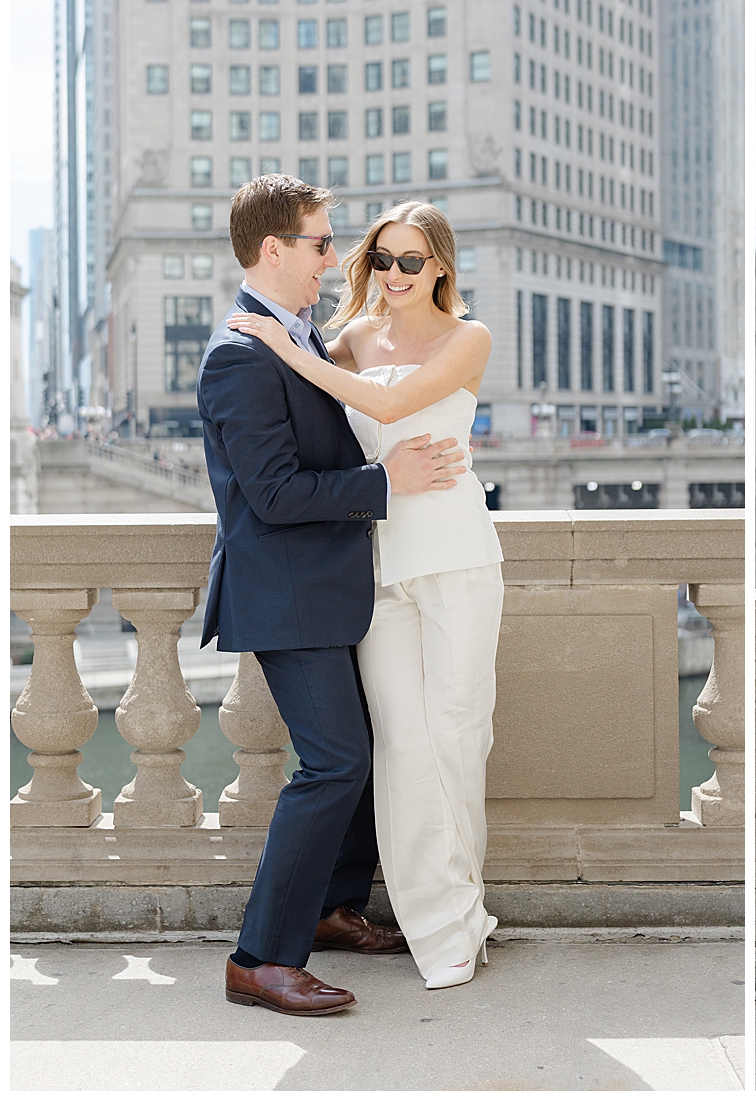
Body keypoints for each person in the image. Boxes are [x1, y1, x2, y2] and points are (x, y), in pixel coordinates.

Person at [200, 175, 466, 1016]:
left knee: (367, 747)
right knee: (335, 761)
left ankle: (331, 908)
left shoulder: (305, 337)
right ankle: (261, 957)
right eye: (322, 242)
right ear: (274, 249)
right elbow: (273, 494)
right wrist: (383, 482)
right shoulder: (240, 355)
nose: (335, 256)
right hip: (286, 595)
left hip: (330, 588)